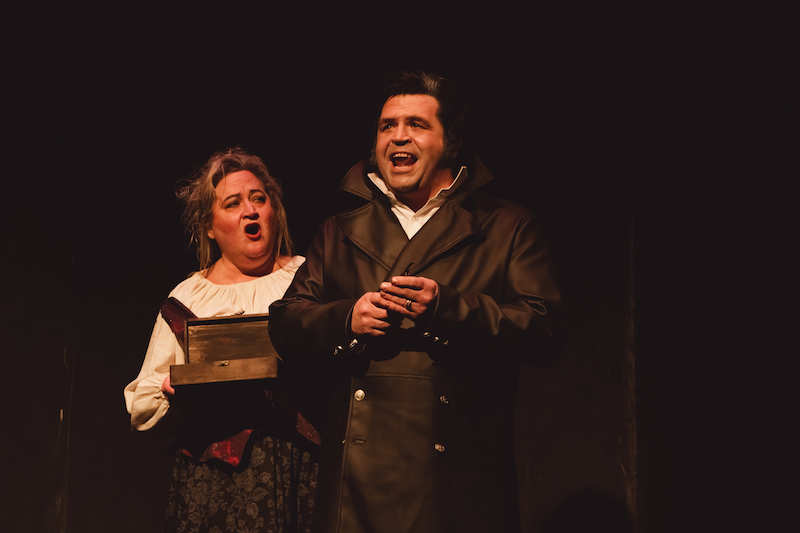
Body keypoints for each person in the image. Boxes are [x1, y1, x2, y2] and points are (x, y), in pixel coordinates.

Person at [268, 71, 568, 533]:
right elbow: (286, 323)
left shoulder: (506, 226)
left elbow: (544, 332)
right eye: (387, 125)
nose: (398, 136)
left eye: (417, 124)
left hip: (457, 481)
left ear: (450, 143)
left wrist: (447, 308)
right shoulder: (339, 230)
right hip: (358, 483)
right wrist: (348, 318)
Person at [124, 148, 317, 533]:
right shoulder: (190, 298)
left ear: (274, 210)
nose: (251, 210)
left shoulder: (309, 279)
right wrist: (171, 387)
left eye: (258, 199)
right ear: (210, 227)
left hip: (303, 466)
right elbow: (143, 399)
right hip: (216, 480)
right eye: (233, 203)